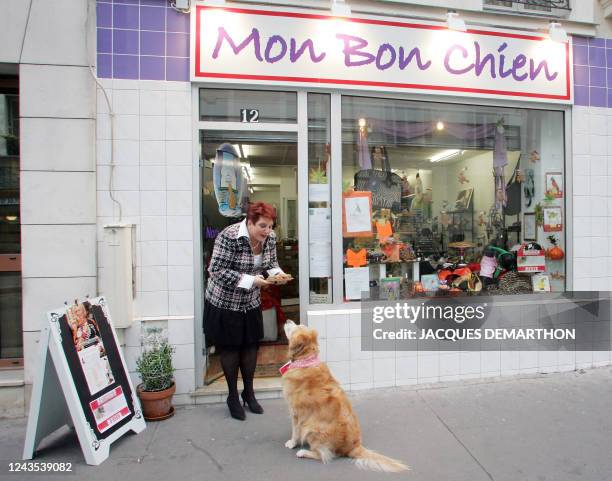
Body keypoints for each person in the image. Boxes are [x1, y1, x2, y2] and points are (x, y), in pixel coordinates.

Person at [204, 202, 290, 420]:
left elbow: (271, 263)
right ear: (249, 222)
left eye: (270, 226)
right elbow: (216, 270)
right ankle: (232, 396)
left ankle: (249, 393)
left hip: (250, 301)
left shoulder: (268, 239)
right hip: (225, 301)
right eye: (262, 226)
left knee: (251, 347)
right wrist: (252, 280)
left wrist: (278, 274)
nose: (267, 231)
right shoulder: (229, 236)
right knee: (231, 349)